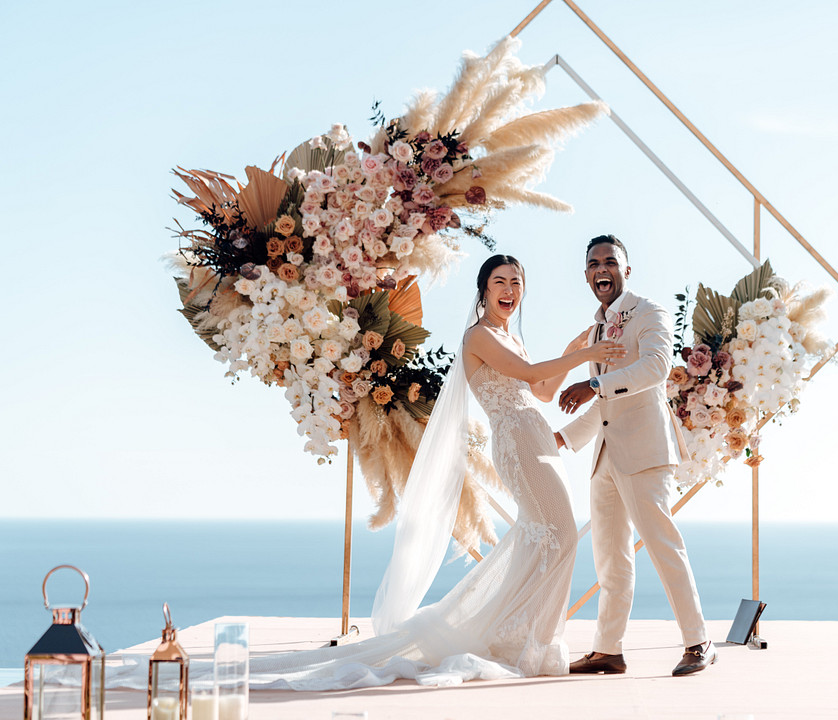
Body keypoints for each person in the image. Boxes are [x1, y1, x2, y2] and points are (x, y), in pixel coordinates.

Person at [234, 254, 626, 689]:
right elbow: (531, 374)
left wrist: (574, 353)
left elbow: (544, 390)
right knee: (558, 533)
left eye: (516, 281)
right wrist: (589, 351)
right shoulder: (477, 336)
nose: (509, 289)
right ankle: (523, 639)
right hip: (517, 441)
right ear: (484, 290)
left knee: (547, 535)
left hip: (538, 434)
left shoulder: (512, 338)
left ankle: (527, 637)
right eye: (500, 281)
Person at [556, 235, 716, 677]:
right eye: (593, 264)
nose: (601, 269)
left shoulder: (650, 313)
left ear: (627, 270)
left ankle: (698, 640)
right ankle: (608, 648)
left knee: (664, 547)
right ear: (586, 274)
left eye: (610, 261)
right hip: (605, 458)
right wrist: (563, 439)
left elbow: (656, 368)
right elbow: (607, 409)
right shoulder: (594, 329)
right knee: (610, 558)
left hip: (645, 452)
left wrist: (592, 385)